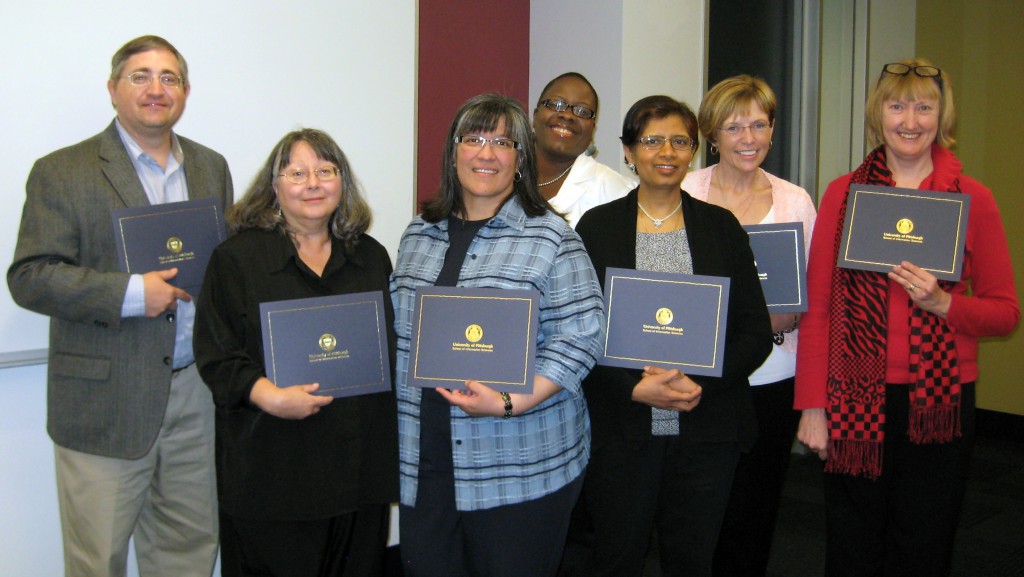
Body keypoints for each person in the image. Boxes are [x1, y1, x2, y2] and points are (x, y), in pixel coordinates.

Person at [7, 36, 231, 577]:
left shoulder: (210, 167)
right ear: (113, 89)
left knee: (190, 552)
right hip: (105, 403)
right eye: (140, 76)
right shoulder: (62, 171)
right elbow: (31, 276)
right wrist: (133, 294)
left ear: (185, 91)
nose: (157, 89)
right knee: (96, 562)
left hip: (195, 396)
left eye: (170, 78)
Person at [795, 59, 1019, 577]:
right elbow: (821, 306)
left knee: (924, 542)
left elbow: (1005, 314)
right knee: (852, 542)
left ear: (943, 116)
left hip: (939, 402)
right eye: (897, 106)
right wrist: (811, 405)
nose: (911, 120)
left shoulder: (972, 199)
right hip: (853, 395)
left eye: (924, 106)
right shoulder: (843, 193)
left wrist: (945, 304)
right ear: (878, 114)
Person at [390, 93, 606, 577]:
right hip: (426, 459)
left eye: (502, 142)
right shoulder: (418, 234)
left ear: (520, 159)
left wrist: (512, 400)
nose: (486, 153)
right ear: (453, 152)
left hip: (518, 461)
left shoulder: (552, 237)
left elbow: (583, 334)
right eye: (474, 139)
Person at [573, 95, 772, 577]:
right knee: (616, 557)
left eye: (680, 141)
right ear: (627, 151)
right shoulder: (596, 228)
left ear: (694, 150)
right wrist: (634, 387)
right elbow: (579, 328)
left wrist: (703, 381)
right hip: (623, 427)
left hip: (707, 426)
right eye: (652, 140)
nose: (667, 151)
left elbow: (754, 331)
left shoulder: (720, 227)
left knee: (691, 561)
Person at [193, 129, 398, 577]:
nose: (313, 183)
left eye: (326, 171)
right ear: (274, 186)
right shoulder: (237, 259)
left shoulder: (370, 257)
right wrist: (267, 394)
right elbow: (215, 354)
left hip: (357, 471)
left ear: (342, 183)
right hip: (272, 471)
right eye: (297, 172)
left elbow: (391, 349)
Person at [682, 74, 817, 577]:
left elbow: (812, 293)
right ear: (712, 135)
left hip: (772, 376)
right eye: (734, 126)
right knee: (696, 510)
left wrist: (793, 311)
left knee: (755, 511)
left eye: (759, 124)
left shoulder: (795, 201)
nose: (748, 138)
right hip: (700, 374)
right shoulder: (685, 191)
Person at [532, 72, 634, 227]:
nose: (567, 116)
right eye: (556, 104)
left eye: (582, 111)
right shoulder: (500, 174)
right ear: (535, 115)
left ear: (592, 128)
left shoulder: (618, 193)